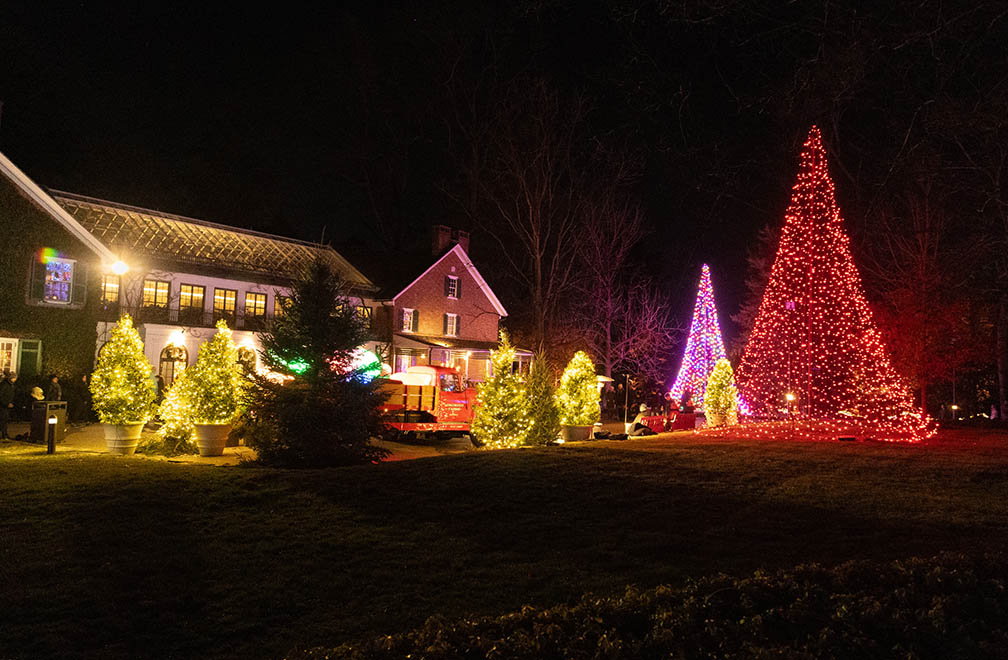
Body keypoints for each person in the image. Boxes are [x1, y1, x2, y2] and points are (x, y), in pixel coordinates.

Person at [0, 371, 16, 439]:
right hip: (3, 406)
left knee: (5, 420)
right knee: (3, 420)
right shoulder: (5, 385)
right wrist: (6, 403)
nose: (15, 379)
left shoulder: (10, 385)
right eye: (14, 378)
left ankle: (5, 433)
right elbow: (1, 395)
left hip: (6, 405)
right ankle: (4, 434)